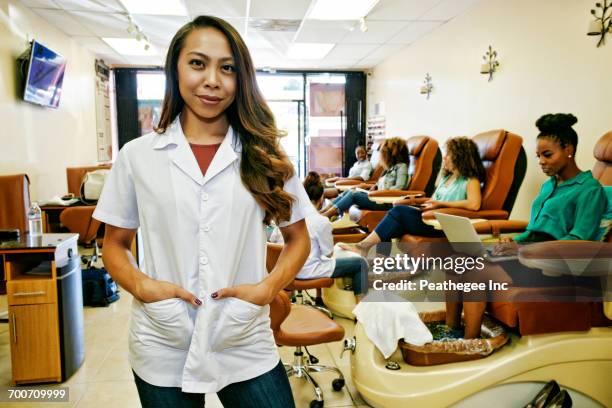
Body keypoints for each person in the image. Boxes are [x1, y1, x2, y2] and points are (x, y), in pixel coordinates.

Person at [93, 16, 312, 408]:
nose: (213, 79)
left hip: (242, 334)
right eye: (198, 63)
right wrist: (143, 287)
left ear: (240, 78)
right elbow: (115, 245)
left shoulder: (266, 158)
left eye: (227, 68)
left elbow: (298, 240)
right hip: (164, 337)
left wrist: (268, 287)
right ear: (175, 69)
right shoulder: (137, 157)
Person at [455, 113, 607, 338]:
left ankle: (468, 344)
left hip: (558, 267)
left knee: (475, 269)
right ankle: (449, 333)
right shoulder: (549, 186)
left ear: (569, 149)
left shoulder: (590, 190)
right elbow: (534, 231)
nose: (541, 162)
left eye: (547, 155)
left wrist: (523, 250)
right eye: (538, 156)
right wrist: (514, 242)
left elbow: (578, 241)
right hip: (530, 257)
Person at [339, 137, 486, 254]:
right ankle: (379, 262)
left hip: (443, 225)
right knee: (392, 222)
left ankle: (363, 248)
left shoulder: (470, 179)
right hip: (431, 216)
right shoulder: (447, 178)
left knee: (398, 213)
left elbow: (474, 204)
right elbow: (434, 200)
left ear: (460, 157)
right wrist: (415, 200)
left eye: (449, 154)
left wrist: (442, 205)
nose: (445, 158)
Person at [300, 172, 368, 301]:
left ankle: (319, 297)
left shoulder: (288, 217)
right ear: (322, 198)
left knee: (317, 252)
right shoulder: (321, 221)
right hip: (308, 271)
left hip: (288, 270)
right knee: (360, 263)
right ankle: (362, 312)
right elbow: (328, 254)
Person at [321, 137, 410, 218]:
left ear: (392, 154)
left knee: (353, 195)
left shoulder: (402, 167)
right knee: (351, 190)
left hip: (385, 202)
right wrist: (373, 187)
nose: (381, 156)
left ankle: (327, 215)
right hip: (377, 197)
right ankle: (325, 210)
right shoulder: (389, 168)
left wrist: (379, 193)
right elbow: (379, 182)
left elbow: (399, 188)